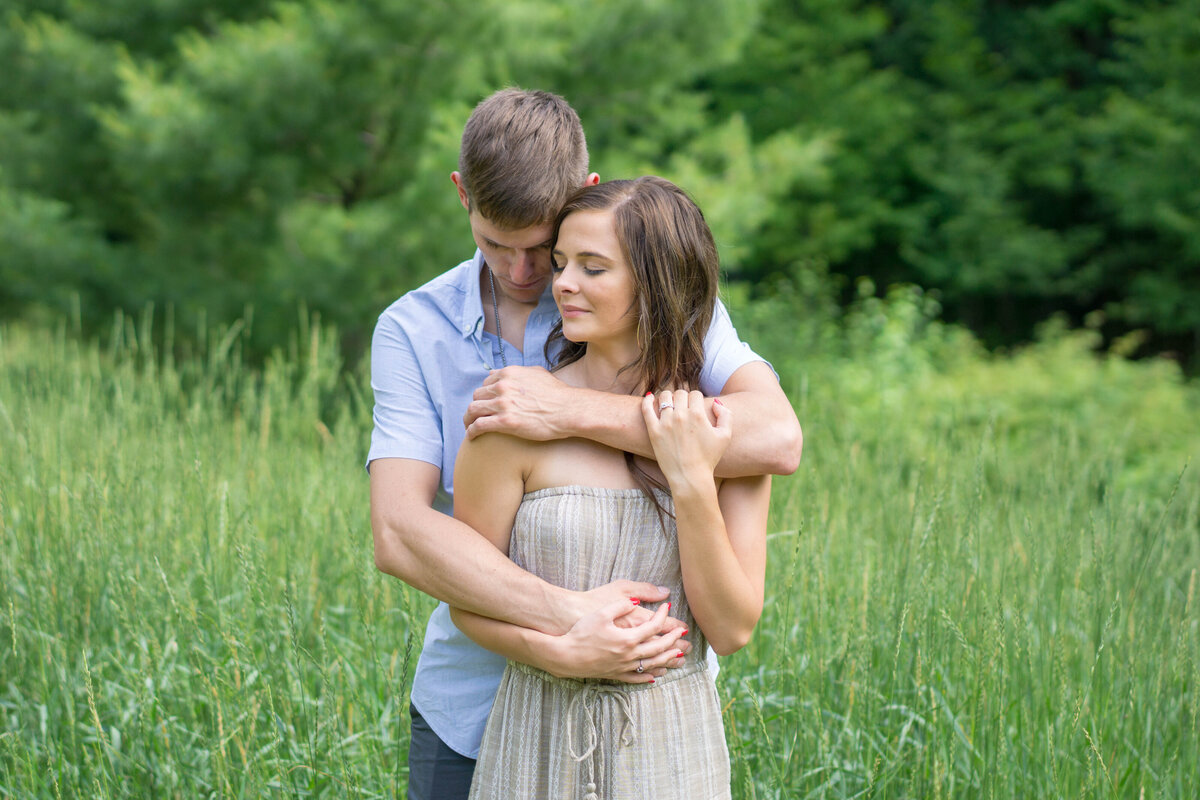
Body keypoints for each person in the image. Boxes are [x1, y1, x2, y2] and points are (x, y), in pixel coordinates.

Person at [368, 89, 801, 800]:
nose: (526, 275)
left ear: (584, 194)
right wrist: (570, 633)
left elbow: (776, 439)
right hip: (475, 706)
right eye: (493, 244)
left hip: (659, 723)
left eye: (543, 248)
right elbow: (398, 531)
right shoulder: (412, 330)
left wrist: (568, 410)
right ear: (462, 196)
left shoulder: (654, 279)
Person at [450, 176, 769, 799]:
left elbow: (731, 630)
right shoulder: (514, 419)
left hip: (674, 745)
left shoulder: (718, 432)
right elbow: (467, 601)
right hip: (538, 731)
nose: (561, 282)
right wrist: (560, 655)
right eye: (563, 262)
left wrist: (691, 481)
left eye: (593, 268)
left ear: (657, 284)